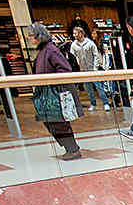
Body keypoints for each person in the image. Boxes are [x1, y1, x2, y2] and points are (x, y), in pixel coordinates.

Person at [27, 22, 82, 160]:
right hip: (48, 94)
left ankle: (73, 148)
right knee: (51, 122)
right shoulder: (43, 51)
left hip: (55, 94)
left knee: (58, 123)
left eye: (31, 36)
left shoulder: (51, 50)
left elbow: (64, 69)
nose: (30, 38)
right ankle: (70, 148)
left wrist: (52, 83)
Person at [70, 26, 110, 111]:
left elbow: (96, 55)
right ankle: (93, 104)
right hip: (83, 70)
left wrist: (95, 67)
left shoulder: (90, 43)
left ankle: (105, 103)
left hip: (93, 69)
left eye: (75, 33)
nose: (74, 35)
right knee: (89, 89)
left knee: (99, 87)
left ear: (81, 33)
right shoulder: (74, 45)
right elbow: (72, 57)